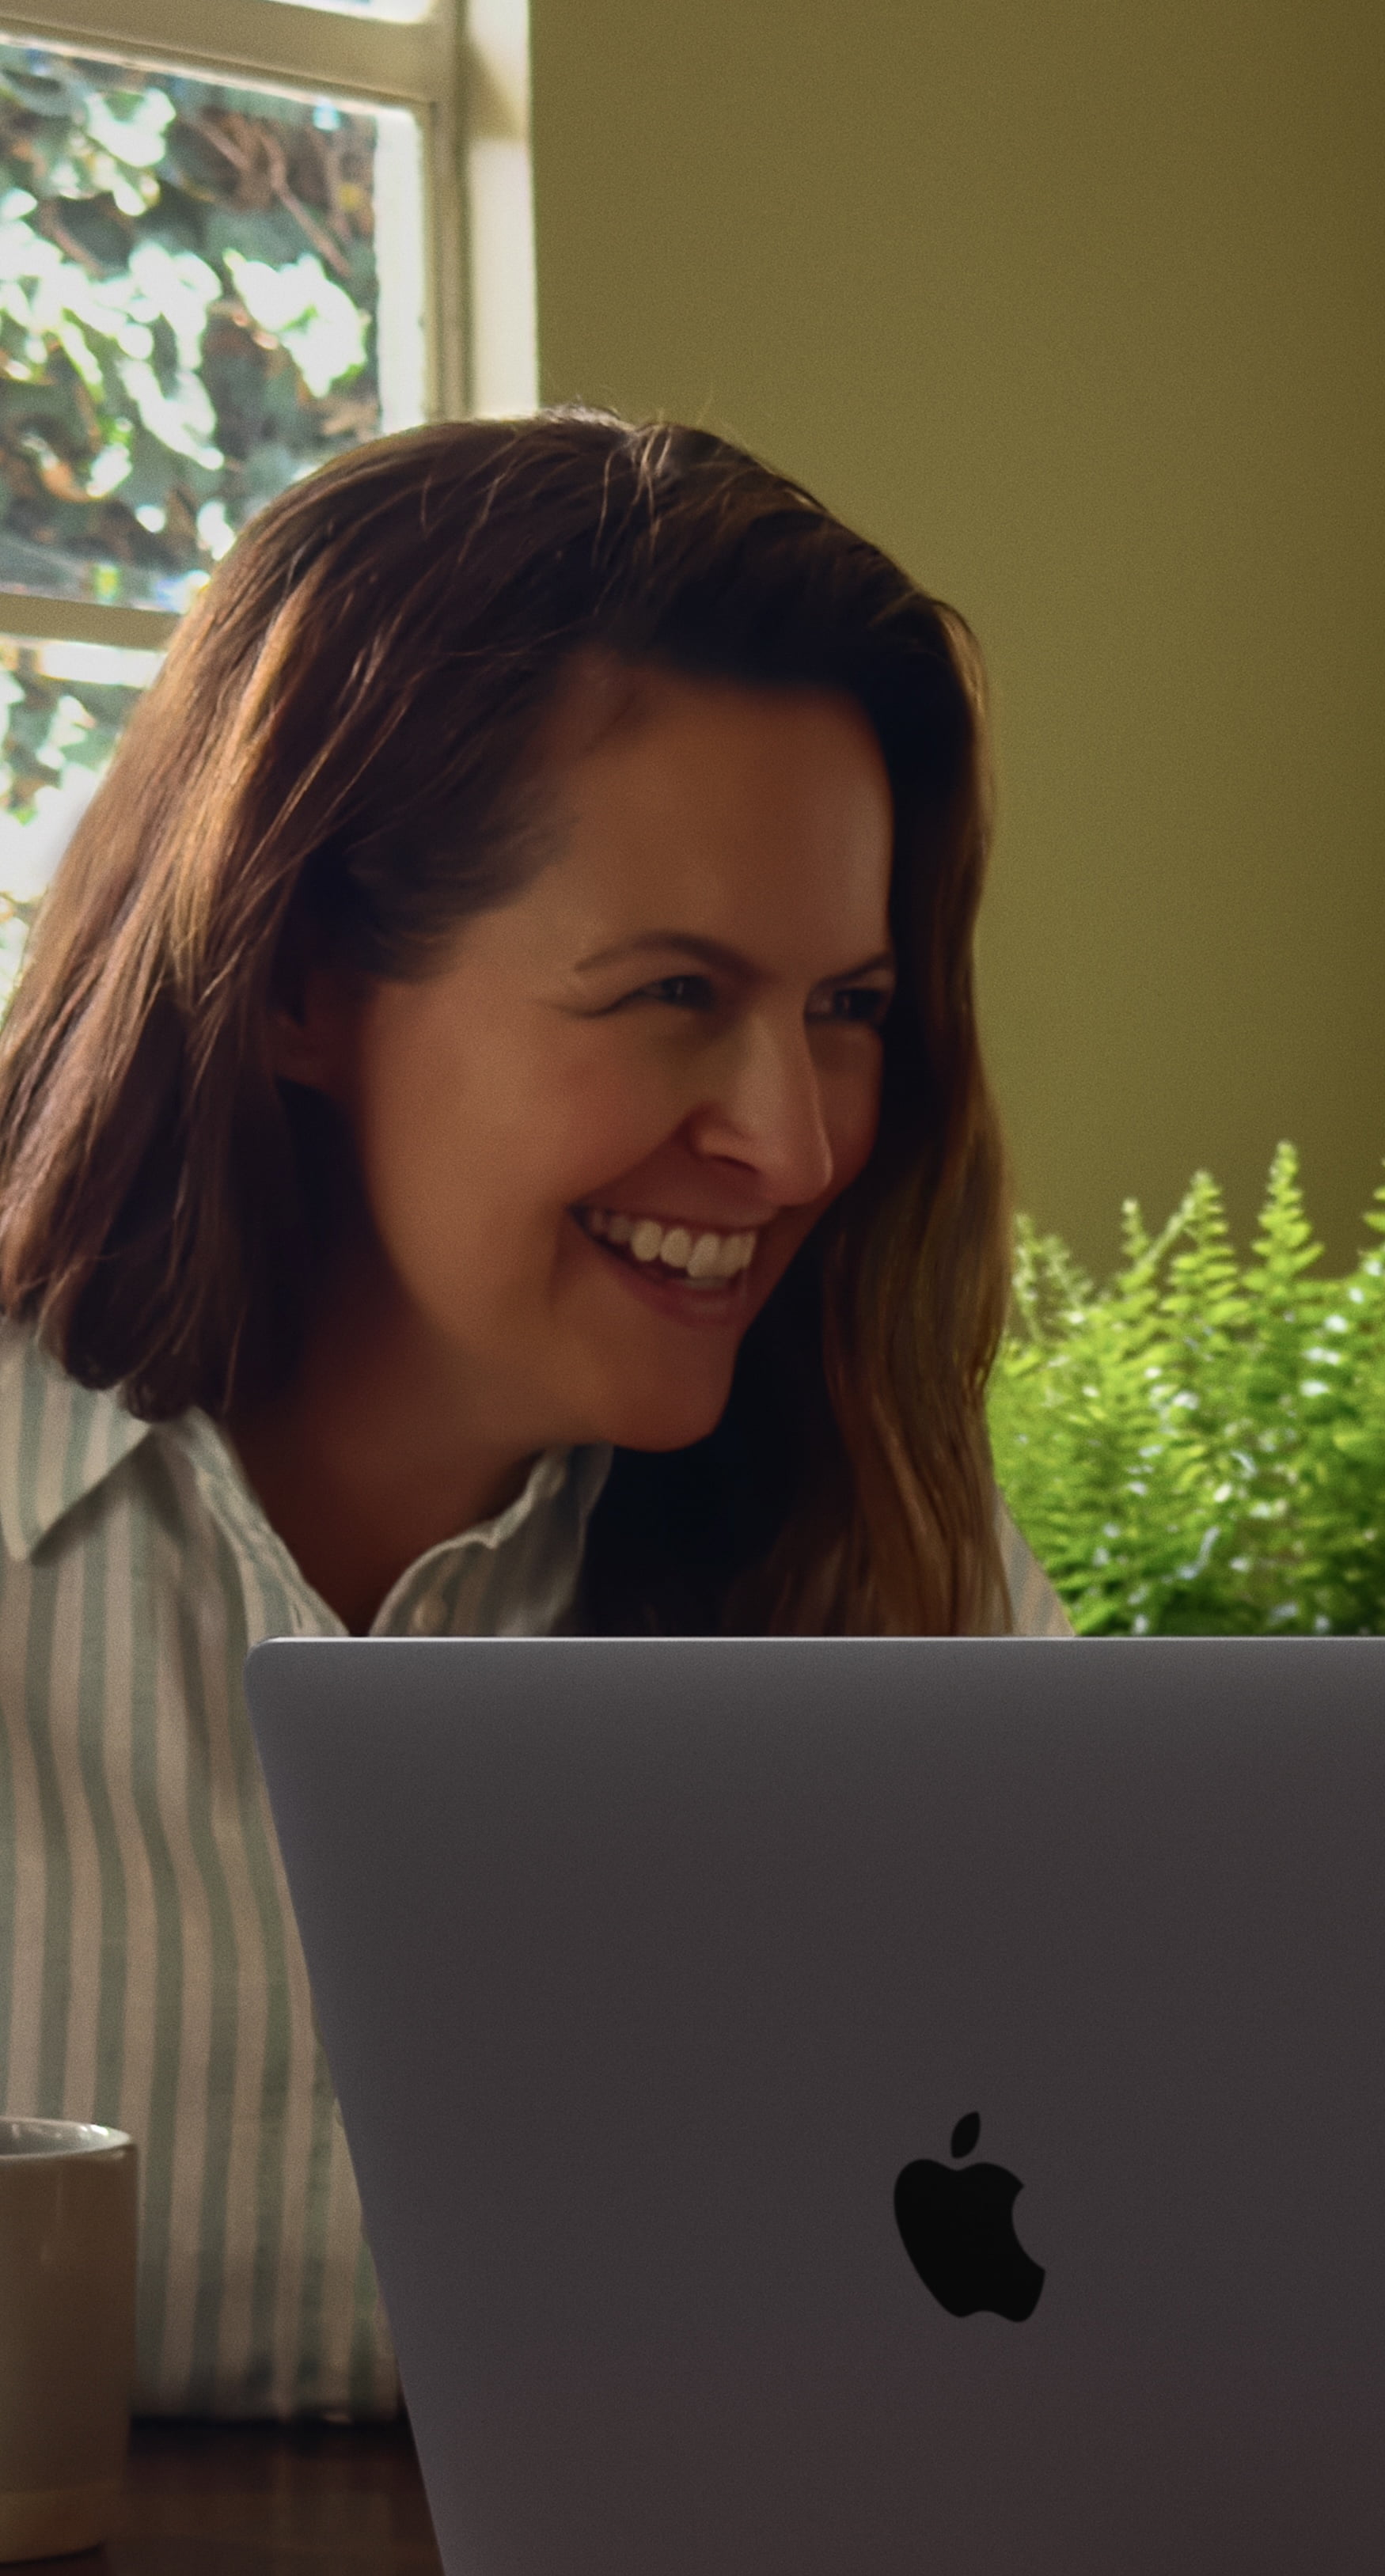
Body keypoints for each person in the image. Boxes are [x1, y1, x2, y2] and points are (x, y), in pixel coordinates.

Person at [0, 413, 1064, 2422]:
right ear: (301, 978)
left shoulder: (888, 1541)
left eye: (848, 1005)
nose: (797, 1137)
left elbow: (1063, 2290)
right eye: (673, 992)